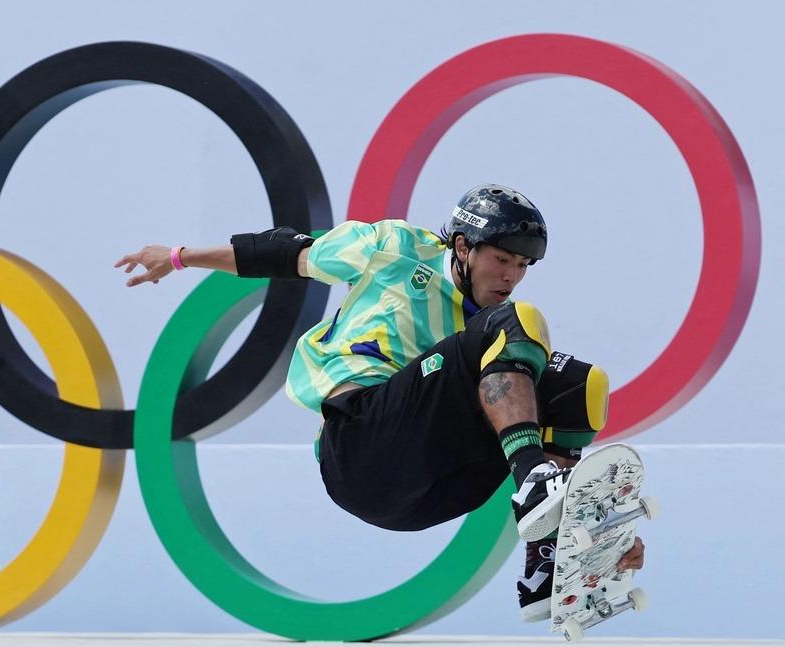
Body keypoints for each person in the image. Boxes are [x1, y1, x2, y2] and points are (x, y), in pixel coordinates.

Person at [115, 184, 645, 623]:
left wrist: (596, 527)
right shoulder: (394, 247)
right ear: (462, 247)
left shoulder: (488, 331)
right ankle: (535, 486)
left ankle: (552, 559)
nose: (510, 276)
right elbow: (287, 253)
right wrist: (181, 257)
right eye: (500, 259)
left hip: (425, 494)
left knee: (578, 385)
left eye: (523, 265)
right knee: (519, 325)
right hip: (359, 446)